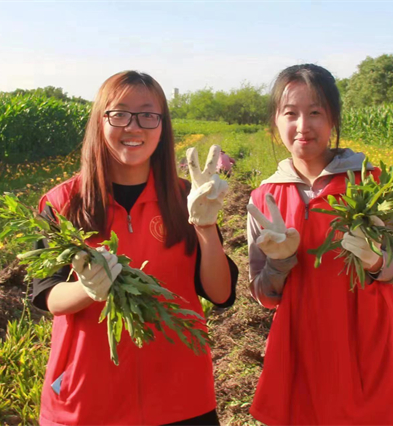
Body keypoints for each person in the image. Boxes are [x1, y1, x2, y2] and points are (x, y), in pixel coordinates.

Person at [30, 71, 238, 426]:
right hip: (88, 399)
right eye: (120, 113)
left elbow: (220, 294)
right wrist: (86, 290)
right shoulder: (64, 202)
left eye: (147, 114)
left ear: (162, 125)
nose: (134, 126)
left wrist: (204, 227)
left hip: (179, 397)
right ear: (101, 120)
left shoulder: (187, 196)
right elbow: (46, 294)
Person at [246, 64, 393, 425]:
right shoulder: (265, 198)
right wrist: (278, 265)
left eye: (316, 112)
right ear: (275, 120)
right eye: (291, 113)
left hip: (363, 342)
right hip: (299, 346)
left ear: (333, 118)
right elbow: (263, 293)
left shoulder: (370, 183)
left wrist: (373, 260)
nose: (303, 126)